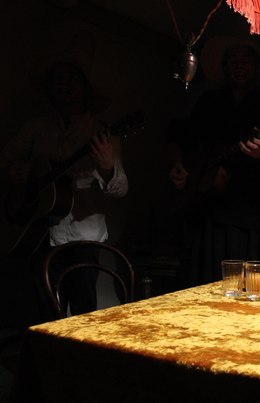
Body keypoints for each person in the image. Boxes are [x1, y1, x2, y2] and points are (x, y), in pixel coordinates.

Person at [0, 31, 128, 323]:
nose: (63, 84)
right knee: (42, 317)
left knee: (83, 317)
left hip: (84, 240)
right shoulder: (36, 128)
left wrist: (107, 166)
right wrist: (13, 171)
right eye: (58, 78)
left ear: (85, 88)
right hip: (40, 236)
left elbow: (121, 188)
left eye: (71, 78)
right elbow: (5, 160)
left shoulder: (102, 132)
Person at [167, 35, 260, 285]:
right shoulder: (209, 102)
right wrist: (178, 165)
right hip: (204, 218)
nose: (239, 65)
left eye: (246, 59)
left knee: (247, 293)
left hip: (248, 224)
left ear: (257, 68)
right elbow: (177, 136)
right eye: (233, 60)